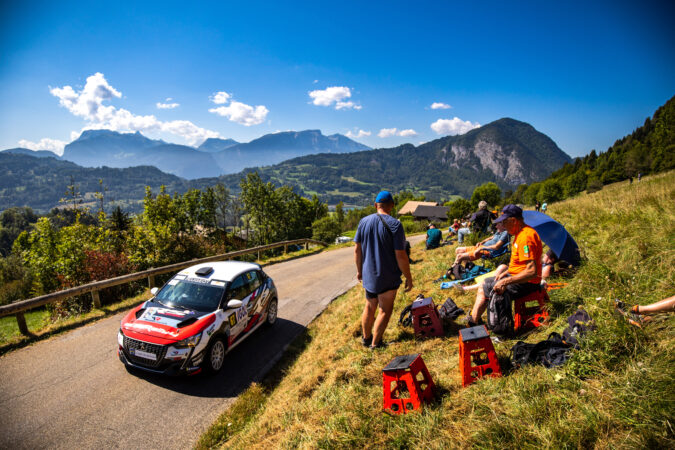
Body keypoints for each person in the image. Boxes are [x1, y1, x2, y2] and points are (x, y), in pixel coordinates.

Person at [354, 190, 413, 349]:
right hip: (387, 276)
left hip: (369, 276)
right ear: (392, 206)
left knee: (369, 306)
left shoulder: (363, 222)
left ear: (375, 205)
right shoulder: (395, 224)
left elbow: (357, 250)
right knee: (384, 310)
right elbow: (401, 255)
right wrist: (408, 277)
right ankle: (376, 344)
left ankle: (366, 339)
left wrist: (359, 271)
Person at [467, 204, 543, 326]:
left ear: (513, 220)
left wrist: (505, 281)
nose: (502, 226)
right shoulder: (520, 234)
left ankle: (495, 326)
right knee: (485, 283)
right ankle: (474, 321)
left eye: (504, 223)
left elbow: (531, 272)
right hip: (520, 278)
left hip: (528, 283)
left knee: (488, 286)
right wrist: (506, 272)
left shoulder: (526, 237)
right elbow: (520, 264)